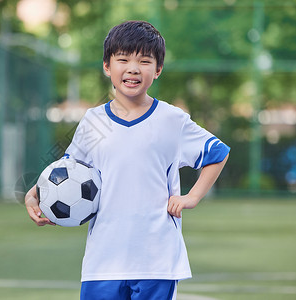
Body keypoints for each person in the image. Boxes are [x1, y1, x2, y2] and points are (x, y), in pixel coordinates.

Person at [25, 20, 230, 300]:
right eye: (123, 59)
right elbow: (67, 171)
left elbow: (217, 153)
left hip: (156, 260)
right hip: (103, 261)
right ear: (107, 66)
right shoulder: (93, 122)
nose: (133, 68)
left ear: (157, 70)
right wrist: (34, 194)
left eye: (144, 61)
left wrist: (192, 197)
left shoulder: (172, 120)